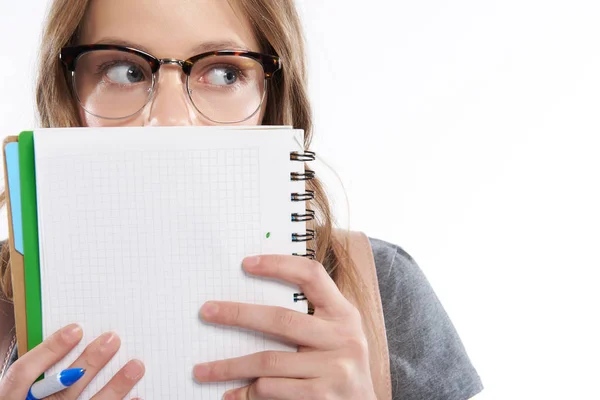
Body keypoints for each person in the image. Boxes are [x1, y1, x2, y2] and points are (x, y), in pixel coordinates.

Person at [0, 0, 483, 398]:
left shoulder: (382, 287)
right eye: (124, 70)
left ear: (273, 98)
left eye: (225, 73)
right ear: (68, 91)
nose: (170, 120)